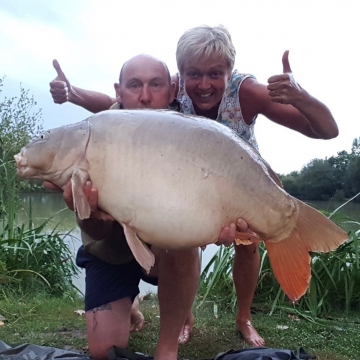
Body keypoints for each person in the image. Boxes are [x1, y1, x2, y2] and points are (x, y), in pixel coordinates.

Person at [49, 25, 339, 348]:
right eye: (194, 75)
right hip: (179, 189)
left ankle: (238, 318)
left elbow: (327, 131)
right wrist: (73, 94)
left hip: (238, 178)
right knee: (106, 346)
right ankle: (163, 309)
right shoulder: (157, 104)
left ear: (230, 71)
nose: (203, 85)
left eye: (215, 74)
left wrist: (301, 97)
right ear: (180, 78)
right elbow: (113, 107)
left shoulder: (243, 92)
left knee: (244, 243)